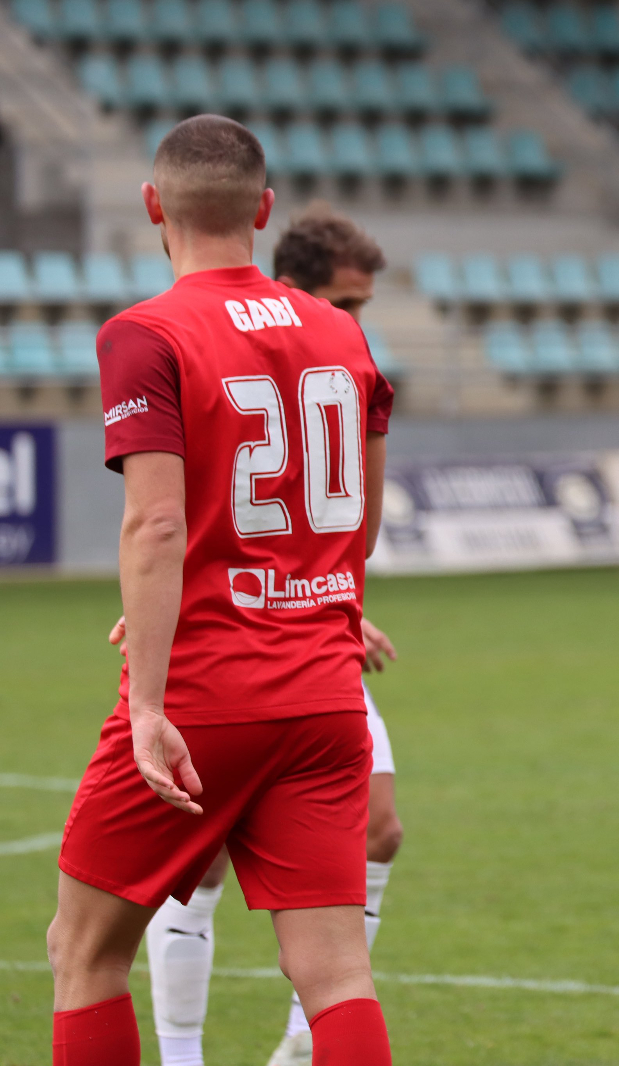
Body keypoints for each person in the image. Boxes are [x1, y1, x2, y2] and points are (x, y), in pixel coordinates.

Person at [48, 115, 394, 1066]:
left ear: (153, 205)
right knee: (334, 973)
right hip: (325, 692)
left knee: (83, 953)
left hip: (208, 692)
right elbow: (354, 528)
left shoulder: (145, 333)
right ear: (265, 209)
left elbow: (156, 525)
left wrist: (151, 700)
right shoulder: (341, 332)